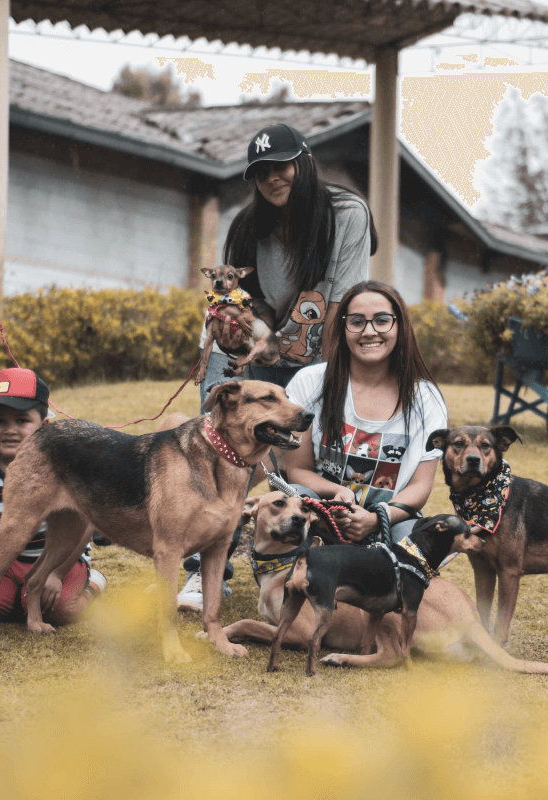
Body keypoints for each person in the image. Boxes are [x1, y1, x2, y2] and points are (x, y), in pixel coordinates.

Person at [179, 122, 374, 610]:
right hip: (265, 359)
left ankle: (339, 566)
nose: (272, 177)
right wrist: (251, 326)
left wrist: (307, 376)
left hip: (328, 357)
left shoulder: (347, 213)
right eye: (261, 171)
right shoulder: (247, 225)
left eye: (282, 165)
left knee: (318, 465)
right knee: (226, 451)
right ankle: (205, 572)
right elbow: (249, 302)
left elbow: (342, 303)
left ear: (304, 161)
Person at [281, 280, 448, 544]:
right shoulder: (310, 383)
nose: (369, 331)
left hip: (389, 518)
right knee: (293, 496)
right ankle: (290, 577)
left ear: (400, 326)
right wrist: (336, 494)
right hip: (322, 513)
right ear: (343, 328)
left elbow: (420, 487)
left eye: (382, 320)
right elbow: (298, 471)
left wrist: (376, 519)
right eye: (357, 321)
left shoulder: (426, 399)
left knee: (417, 543)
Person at [0, 368, 105, 626]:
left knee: (61, 611)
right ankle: (12, 593)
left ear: (44, 426)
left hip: (57, 558)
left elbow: (85, 525)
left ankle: (93, 584)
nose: (10, 430)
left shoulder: (65, 467)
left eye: (22, 421)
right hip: (5, 560)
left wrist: (57, 573)